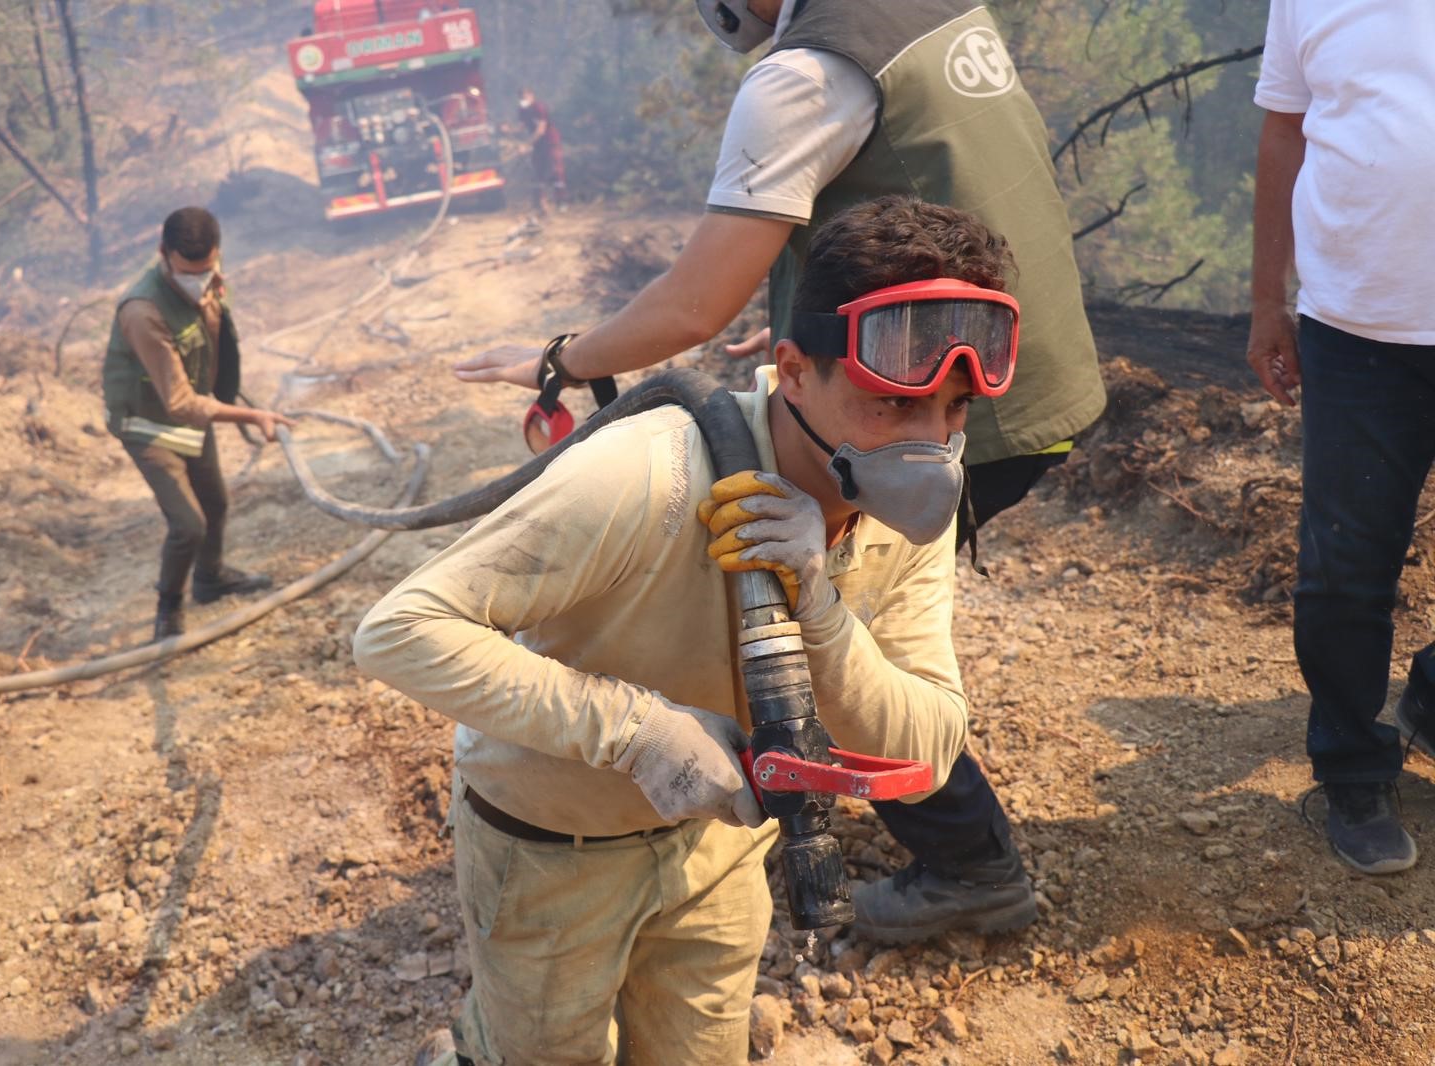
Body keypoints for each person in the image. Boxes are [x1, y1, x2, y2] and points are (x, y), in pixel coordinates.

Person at [453, 0, 1103, 944]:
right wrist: (829, 337)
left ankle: (968, 866)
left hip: (930, 402)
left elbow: (692, 305)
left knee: (811, 612)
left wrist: (568, 359)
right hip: (1022, 368)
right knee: (829, 603)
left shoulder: (804, 73)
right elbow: (931, 192)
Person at [359, 196, 1017, 1065]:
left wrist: (819, 612)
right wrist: (638, 733)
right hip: (553, 846)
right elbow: (401, 630)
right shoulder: (649, 477)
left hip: (716, 848)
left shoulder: (897, 515)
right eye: (890, 407)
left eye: (953, 410)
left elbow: (927, 752)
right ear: (792, 369)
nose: (929, 446)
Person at [1245, 0, 1435, 874]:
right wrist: (1266, 302)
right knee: (1346, 569)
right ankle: (1355, 769)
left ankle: (1429, 696)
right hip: (1356, 332)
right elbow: (1284, 132)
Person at [102, 207, 293, 641]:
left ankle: (210, 579)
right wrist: (253, 416)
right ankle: (168, 609)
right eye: (190, 273)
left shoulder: (209, 275)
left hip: (191, 418)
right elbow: (180, 402)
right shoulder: (142, 311)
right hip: (148, 425)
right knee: (188, 524)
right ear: (163, 254)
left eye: (207, 269)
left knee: (217, 503)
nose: (200, 279)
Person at [517, 88, 565, 213]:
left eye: (525, 96)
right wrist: (508, 131)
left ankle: (561, 202)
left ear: (532, 95)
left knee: (556, 171)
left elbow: (540, 130)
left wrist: (526, 144)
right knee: (538, 172)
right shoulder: (522, 110)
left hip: (550, 141)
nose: (523, 100)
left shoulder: (539, 108)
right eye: (521, 97)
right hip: (538, 145)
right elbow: (521, 127)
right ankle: (539, 203)